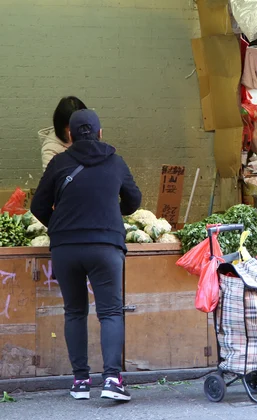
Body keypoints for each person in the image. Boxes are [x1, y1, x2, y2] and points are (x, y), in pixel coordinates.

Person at [31, 109, 142, 400]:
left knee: (75, 311)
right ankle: (112, 380)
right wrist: (108, 211)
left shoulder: (58, 163)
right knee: (109, 312)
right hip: (105, 246)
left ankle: (80, 382)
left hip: (66, 249)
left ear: (69, 135)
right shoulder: (115, 162)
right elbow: (134, 200)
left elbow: (38, 206)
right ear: (100, 133)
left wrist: (59, 226)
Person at [39, 96, 87, 170]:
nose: (79, 131)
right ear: (61, 126)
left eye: (81, 126)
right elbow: (51, 179)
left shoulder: (87, 135)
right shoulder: (50, 150)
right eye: (72, 127)